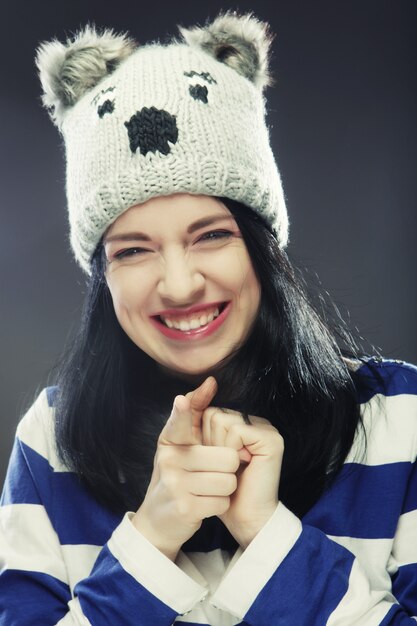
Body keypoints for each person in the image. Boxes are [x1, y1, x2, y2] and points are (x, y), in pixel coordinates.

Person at [0, 11, 416, 626]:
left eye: (211, 235)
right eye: (133, 250)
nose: (179, 284)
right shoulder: (51, 440)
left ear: (262, 246)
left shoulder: (399, 419)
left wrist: (267, 536)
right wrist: (152, 535)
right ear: (103, 276)